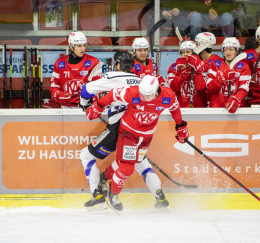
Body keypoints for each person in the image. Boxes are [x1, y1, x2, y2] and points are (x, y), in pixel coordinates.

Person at [79, 51, 169, 211]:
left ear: (118, 65)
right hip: (140, 127)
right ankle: (161, 200)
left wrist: (85, 104)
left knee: (86, 155)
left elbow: (86, 90)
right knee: (139, 162)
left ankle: (97, 197)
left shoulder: (112, 77)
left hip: (120, 126)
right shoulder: (141, 80)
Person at [85, 75, 189, 212]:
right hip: (128, 133)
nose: (144, 97)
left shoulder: (167, 96)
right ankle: (113, 195)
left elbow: (175, 108)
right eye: (142, 93)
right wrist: (97, 106)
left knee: (131, 162)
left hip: (146, 137)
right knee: (127, 168)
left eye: (148, 94)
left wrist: (180, 126)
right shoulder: (133, 92)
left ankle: (104, 178)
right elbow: (112, 95)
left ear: (156, 89)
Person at [50, 31, 102, 108]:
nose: (83, 48)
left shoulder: (93, 62)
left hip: (87, 106)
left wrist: (92, 98)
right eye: (79, 46)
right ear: (71, 46)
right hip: (66, 106)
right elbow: (54, 87)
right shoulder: (59, 63)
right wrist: (58, 95)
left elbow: (99, 86)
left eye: (84, 45)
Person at [206, 37, 251, 112]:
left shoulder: (243, 66)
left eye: (231, 49)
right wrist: (221, 79)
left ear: (237, 51)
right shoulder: (216, 64)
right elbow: (209, 87)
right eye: (226, 49)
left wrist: (236, 99)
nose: (228, 52)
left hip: (236, 109)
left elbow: (243, 88)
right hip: (216, 109)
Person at [167, 40, 207, 107]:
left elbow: (200, 87)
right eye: (183, 52)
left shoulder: (202, 65)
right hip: (180, 107)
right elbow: (174, 88)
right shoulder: (174, 67)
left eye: (188, 52)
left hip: (198, 108)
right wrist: (178, 74)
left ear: (194, 53)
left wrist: (197, 71)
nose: (185, 54)